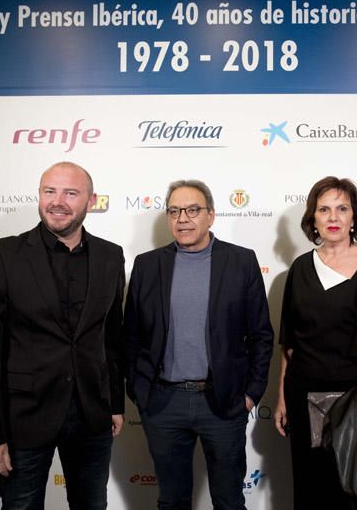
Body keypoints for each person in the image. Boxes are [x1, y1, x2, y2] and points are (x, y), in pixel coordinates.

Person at [0, 161, 125, 510]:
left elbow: (110, 339)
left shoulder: (111, 257)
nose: (58, 201)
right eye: (49, 191)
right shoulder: (3, 255)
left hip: (91, 416)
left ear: (91, 200)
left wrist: (114, 403)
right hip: (23, 417)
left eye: (70, 193)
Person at [124, 179, 273, 510]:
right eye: (174, 211)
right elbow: (131, 335)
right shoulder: (147, 266)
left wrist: (251, 394)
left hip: (222, 402)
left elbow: (261, 334)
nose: (183, 218)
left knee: (229, 501)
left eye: (193, 210)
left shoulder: (241, 261)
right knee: (172, 500)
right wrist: (139, 391)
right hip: (163, 403)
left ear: (211, 215)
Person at [274, 176, 357, 510]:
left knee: (348, 497)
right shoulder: (299, 268)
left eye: (342, 208)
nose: (333, 217)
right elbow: (290, 342)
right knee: (309, 494)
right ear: (313, 218)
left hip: (350, 405)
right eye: (324, 210)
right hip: (301, 398)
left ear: (354, 216)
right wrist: (282, 396)